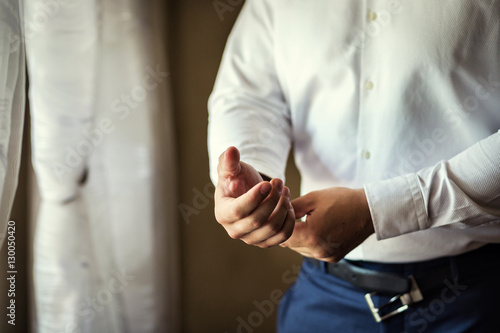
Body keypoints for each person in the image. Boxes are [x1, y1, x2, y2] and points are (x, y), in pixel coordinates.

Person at [208, 1, 500, 332]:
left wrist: (375, 211)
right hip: (323, 297)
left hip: (478, 296)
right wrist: (250, 177)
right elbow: (249, 95)